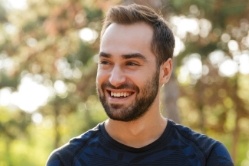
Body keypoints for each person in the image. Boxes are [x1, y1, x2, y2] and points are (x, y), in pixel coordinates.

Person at [46, 4, 233, 166]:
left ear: (165, 71)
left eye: (131, 63)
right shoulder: (67, 161)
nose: (114, 79)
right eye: (106, 62)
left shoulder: (208, 158)